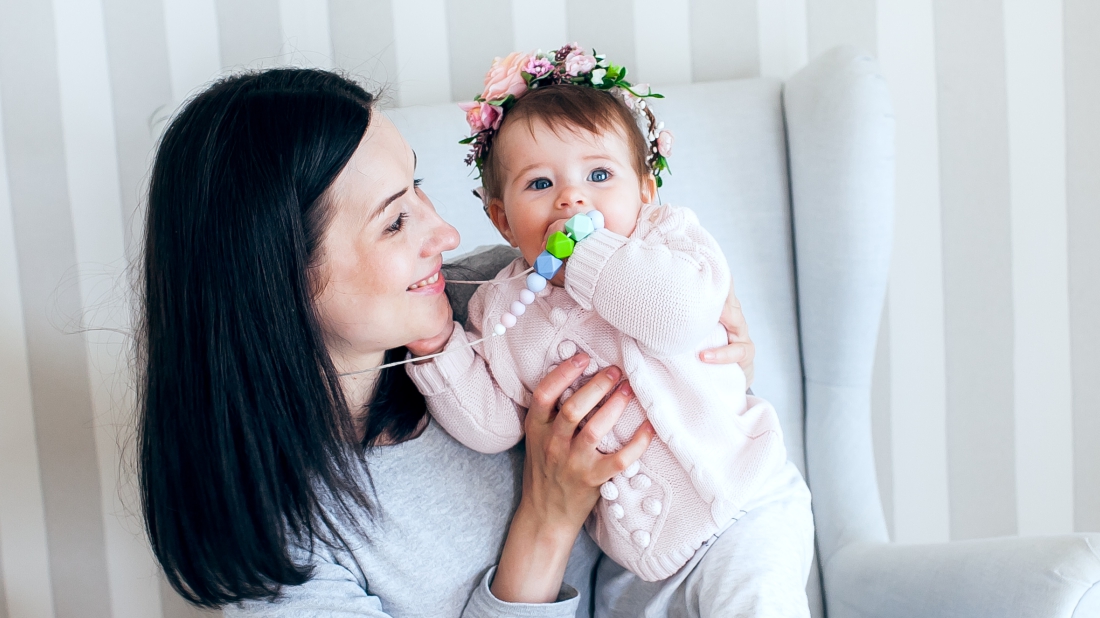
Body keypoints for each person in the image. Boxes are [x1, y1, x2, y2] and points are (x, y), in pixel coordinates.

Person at [137, 67, 762, 617]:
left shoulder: (493, 295)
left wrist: (716, 334)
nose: (445, 232)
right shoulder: (283, 557)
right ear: (276, 280)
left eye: (419, 186)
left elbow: (671, 311)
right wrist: (545, 523)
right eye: (396, 220)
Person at [404, 43, 813, 602]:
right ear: (501, 218)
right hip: (640, 556)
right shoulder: (499, 305)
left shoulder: (668, 239)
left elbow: (680, 316)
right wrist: (438, 346)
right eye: (540, 184)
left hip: (743, 501)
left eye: (599, 174)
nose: (572, 198)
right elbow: (493, 426)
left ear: (646, 191)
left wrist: (589, 253)